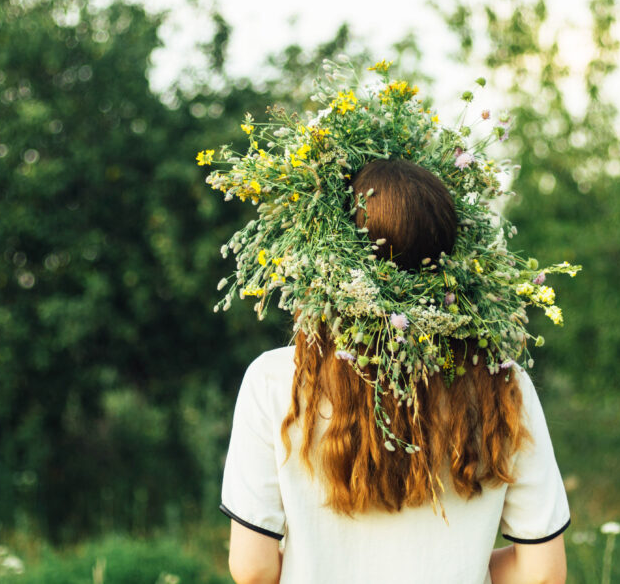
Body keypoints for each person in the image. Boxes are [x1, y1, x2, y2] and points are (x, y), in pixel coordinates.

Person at [219, 159, 570, 584]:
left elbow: (252, 570)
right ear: (451, 256)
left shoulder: (273, 379)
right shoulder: (502, 382)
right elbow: (544, 574)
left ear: (333, 250)